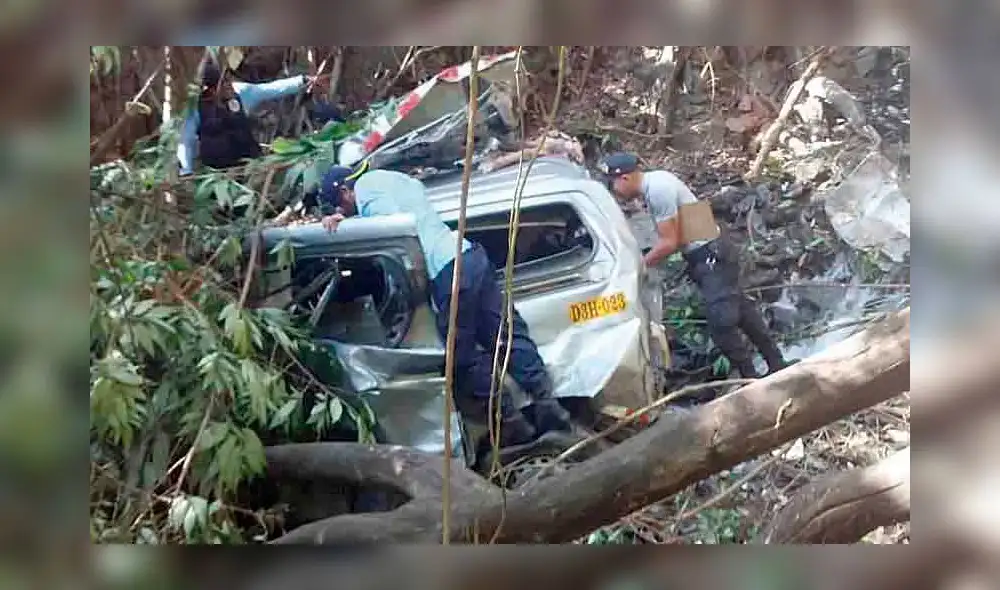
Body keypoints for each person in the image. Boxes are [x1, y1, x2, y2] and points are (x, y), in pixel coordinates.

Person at [316, 165, 581, 450]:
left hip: (448, 271)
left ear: (345, 191)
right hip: (469, 255)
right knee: (504, 334)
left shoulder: (367, 190)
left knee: (460, 357)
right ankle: (549, 407)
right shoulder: (395, 178)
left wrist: (344, 226)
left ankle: (511, 423)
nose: (346, 208)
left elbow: (394, 228)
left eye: (342, 203)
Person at [599, 152, 788, 379]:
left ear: (625, 178)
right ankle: (776, 363)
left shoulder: (658, 190)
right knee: (742, 311)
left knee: (721, 324)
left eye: (613, 185)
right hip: (712, 248)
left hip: (710, 254)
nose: (614, 192)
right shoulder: (659, 180)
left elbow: (670, 242)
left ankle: (751, 378)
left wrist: (638, 267)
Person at [176, 59, 329, 176]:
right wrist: (186, 171)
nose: (229, 85)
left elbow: (270, 89)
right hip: (215, 172)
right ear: (210, 90)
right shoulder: (197, 108)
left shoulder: (241, 92)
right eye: (223, 83)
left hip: (247, 164)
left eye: (229, 80)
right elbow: (186, 140)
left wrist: (301, 81)